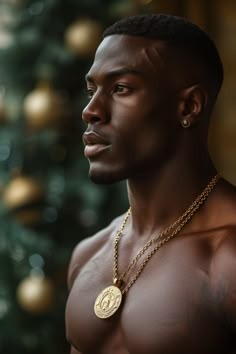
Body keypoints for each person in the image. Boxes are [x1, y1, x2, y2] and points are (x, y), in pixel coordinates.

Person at [65, 13, 236, 354]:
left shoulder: (228, 257)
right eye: (91, 90)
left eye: (121, 88)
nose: (91, 110)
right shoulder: (89, 255)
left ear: (189, 106)